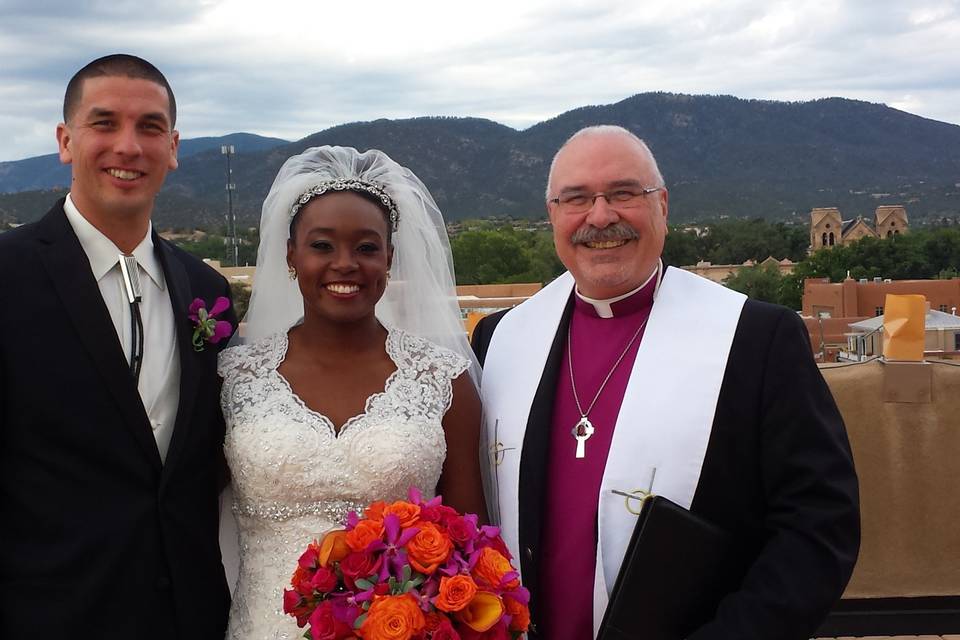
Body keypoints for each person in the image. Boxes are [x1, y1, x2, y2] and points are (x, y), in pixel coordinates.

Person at [471, 125, 860, 639]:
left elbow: (819, 526)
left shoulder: (756, 338)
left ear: (663, 206)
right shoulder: (500, 339)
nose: (601, 215)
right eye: (577, 199)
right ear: (552, 215)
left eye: (625, 193)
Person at [0, 55, 235, 638]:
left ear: (174, 146)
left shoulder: (206, 290)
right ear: (65, 140)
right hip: (46, 615)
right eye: (104, 124)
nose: (128, 147)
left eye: (150, 127)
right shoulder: (7, 275)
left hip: (190, 615)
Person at [217, 145, 486, 639]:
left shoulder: (443, 380)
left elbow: (473, 548)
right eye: (322, 246)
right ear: (291, 256)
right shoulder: (232, 377)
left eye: (366, 247)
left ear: (389, 257)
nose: (346, 264)